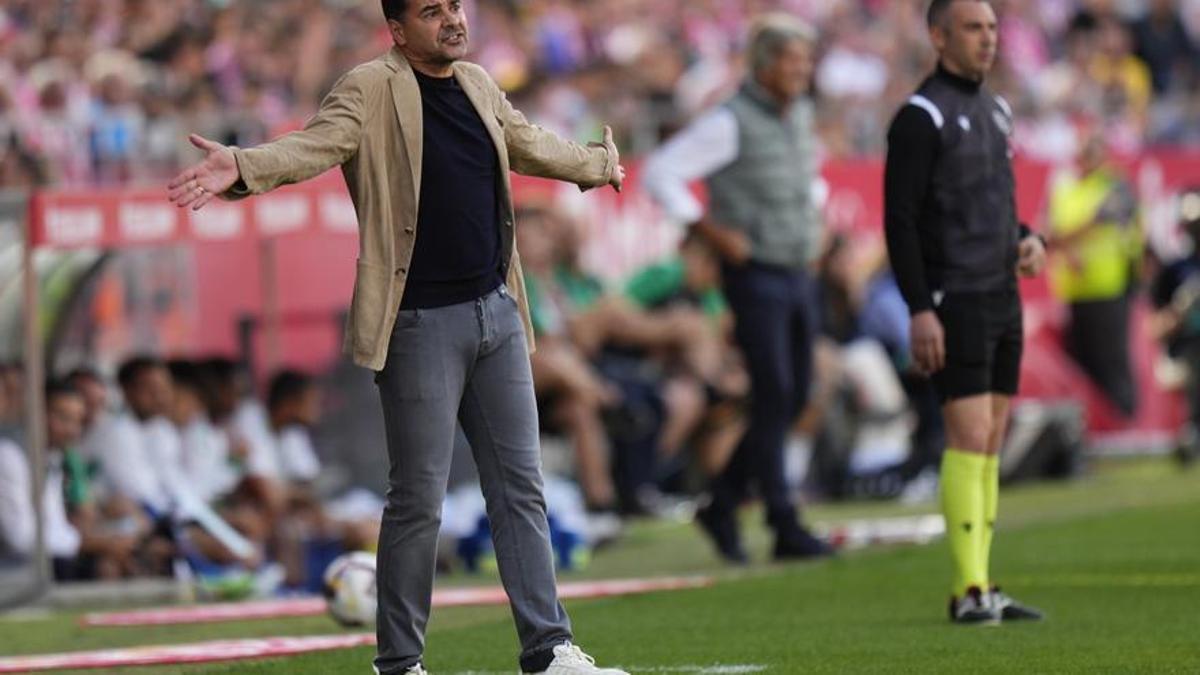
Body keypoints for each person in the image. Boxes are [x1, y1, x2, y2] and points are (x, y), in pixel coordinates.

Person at [167, 1, 626, 672]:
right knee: (418, 500)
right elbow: (313, 145)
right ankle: (401, 663)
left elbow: (527, 141)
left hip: (496, 312)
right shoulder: (368, 86)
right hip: (417, 323)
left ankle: (549, 648)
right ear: (398, 29)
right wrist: (242, 164)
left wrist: (593, 163)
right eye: (431, 11)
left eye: (455, 6)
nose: (452, 19)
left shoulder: (477, 82)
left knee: (521, 488)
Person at [642, 13, 831, 564]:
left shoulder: (798, 113)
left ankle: (722, 502)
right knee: (775, 390)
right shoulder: (729, 121)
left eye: (805, 62)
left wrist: (813, 224)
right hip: (757, 275)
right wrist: (709, 230)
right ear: (765, 65)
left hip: (796, 268)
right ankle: (782, 518)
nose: (802, 72)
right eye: (793, 62)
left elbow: (805, 178)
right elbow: (661, 171)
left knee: (792, 393)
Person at [883, 0, 1047, 624]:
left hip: (1002, 289)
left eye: (993, 28)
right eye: (974, 28)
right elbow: (900, 220)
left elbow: (995, 201)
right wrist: (921, 308)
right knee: (970, 435)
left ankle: (982, 583)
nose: (988, 40)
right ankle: (968, 587)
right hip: (956, 295)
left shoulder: (996, 109)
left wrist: (1028, 237)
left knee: (993, 439)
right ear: (938, 35)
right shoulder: (920, 117)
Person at [1047, 126, 1141, 418]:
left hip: (1109, 286)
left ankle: (1126, 422)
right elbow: (1049, 231)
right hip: (1075, 288)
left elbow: (1094, 223)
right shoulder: (1064, 186)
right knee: (1082, 361)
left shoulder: (1116, 185)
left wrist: (1063, 241)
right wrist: (1062, 243)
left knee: (1112, 359)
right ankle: (1098, 427)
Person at [1149, 186, 1200, 466]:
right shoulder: (1173, 270)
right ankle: (1193, 431)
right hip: (1185, 349)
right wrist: (1180, 311)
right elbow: (1153, 328)